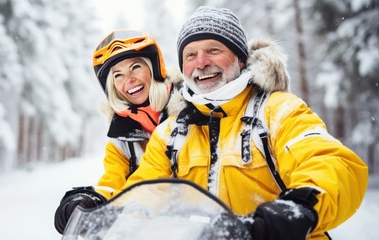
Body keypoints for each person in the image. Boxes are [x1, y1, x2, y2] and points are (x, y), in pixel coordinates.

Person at [114, 6, 368, 240]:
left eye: (214, 50)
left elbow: (333, 164)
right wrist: (109, 212)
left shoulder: (277, 110)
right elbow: (141, 193)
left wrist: (295, 210)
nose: (201, 63)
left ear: (240, 59)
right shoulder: (171, 132)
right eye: (190, 54)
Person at [53, 30, 182, 234]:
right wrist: (90, 201)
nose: (128, 80)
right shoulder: (121, 139)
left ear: (154, 69)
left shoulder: (189, 114)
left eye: (135, 67)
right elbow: (112, 183)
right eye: (118, 75)